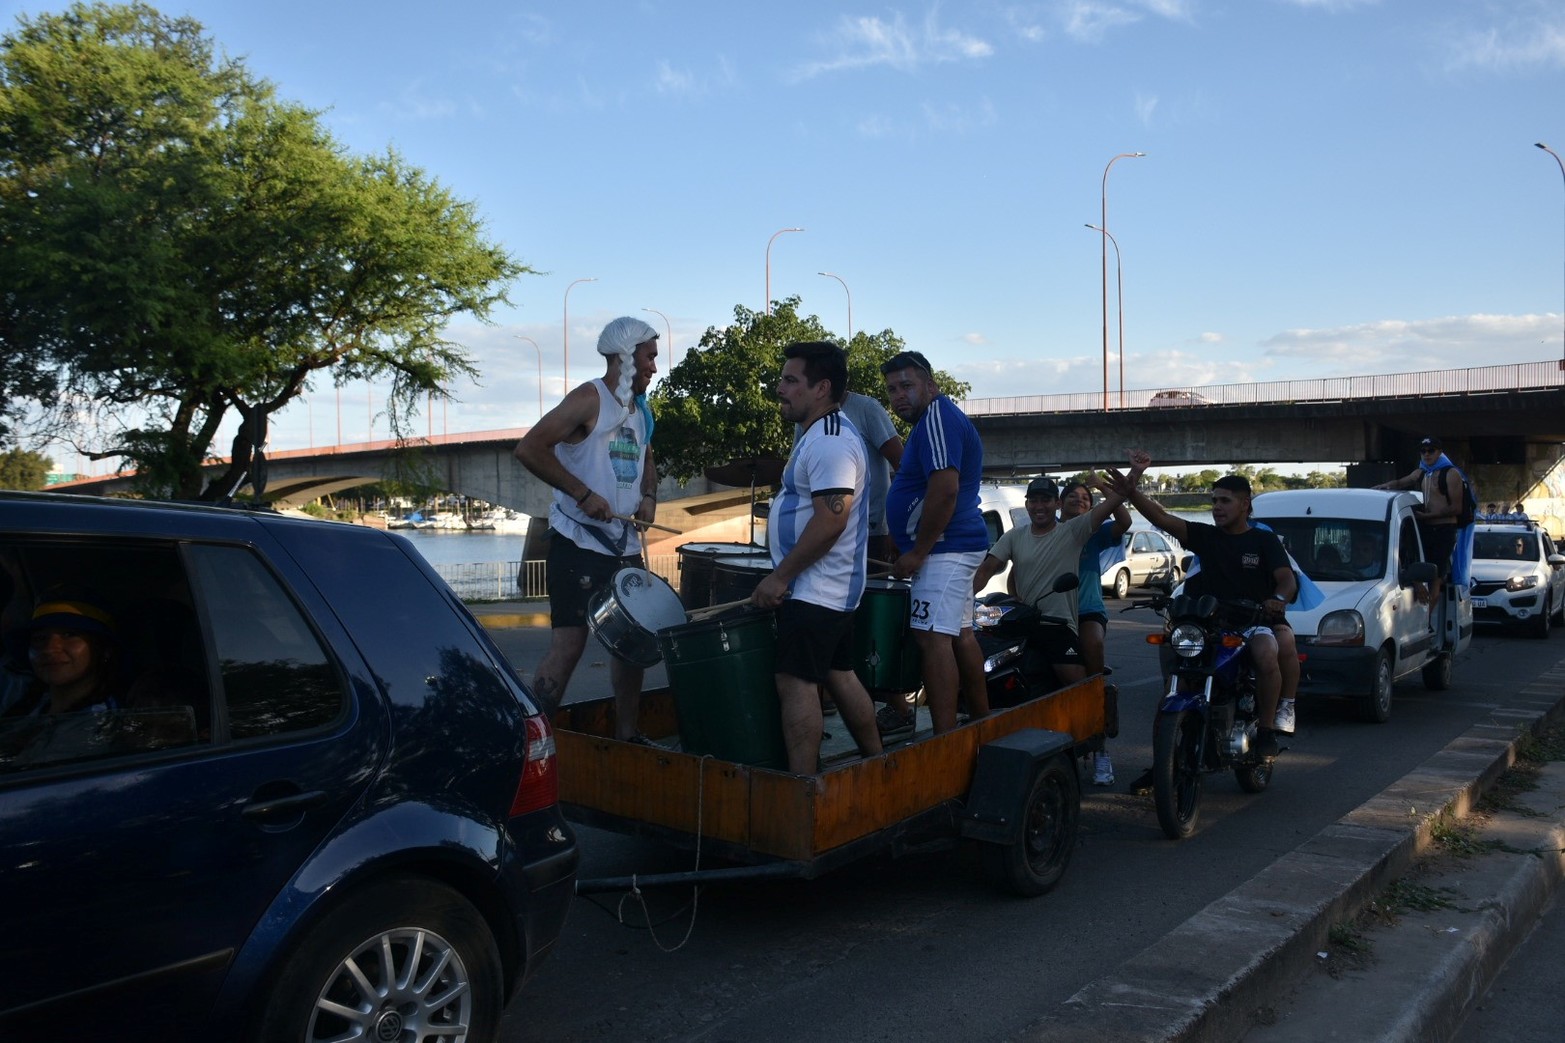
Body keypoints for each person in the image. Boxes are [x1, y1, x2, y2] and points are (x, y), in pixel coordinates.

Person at [513, 316, 660, 741]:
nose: (654, 366)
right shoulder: (588, 398)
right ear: (626, 355)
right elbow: (529, 448)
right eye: (649, 357)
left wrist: (648, 498)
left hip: (624, 544)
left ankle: (628, 737)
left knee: (631, 648)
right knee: (570, 645)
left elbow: (648, 460)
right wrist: (581, 493)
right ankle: (533, 743)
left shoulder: (640, 407)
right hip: (578, 543)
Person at [1107, 452, 1296, 768]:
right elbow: (1161, 518)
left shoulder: (1264, 541)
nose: (1217, 507)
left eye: (1225, 501)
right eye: (1214, 501)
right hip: (1207, 624)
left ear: (1245, 504)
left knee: (1266, 653)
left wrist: (1278, 599)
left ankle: (1265, 730)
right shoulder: (1205, 536)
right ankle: (1161, 767)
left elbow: (1286, 579)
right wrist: (1132, 489)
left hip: (1251, 622)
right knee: (1172, 688)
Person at [752, 342, 884, 773]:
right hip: (823, 586)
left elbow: (832, 519)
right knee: (839, 674)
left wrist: (780, 578)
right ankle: (878, 764)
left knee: (795, 680)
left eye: (791, 380)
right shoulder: (820, 434)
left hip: (815, 588)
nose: (780, 389)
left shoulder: (830, 441)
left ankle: (803, 790)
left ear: (822, 387)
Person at [970, 471, 1140, 784]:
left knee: (1078, 687)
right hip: (1022, 622)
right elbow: (989, 568)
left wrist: (1133, 475)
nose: (1039, 506)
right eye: (1034, 500)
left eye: (1046, 499)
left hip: (1057, 625)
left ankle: (1098, 746)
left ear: (1056, 504)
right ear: (1027, 503)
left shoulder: (1074, 531)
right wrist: (965, 597)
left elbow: (1113, 507)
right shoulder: (1014, 536)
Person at [881, 350, 989, 737]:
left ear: (931, 385)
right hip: (950, 545)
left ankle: (944, 738)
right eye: (892, 389)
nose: (899, 396)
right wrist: (904, 537)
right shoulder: (931, 421)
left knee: (930, 638)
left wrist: (918, 552)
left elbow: (945, 490)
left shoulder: (938, 420)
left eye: (907, 385)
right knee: (960, 634)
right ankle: (979, 721)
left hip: (946, 549)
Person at [1061, 479, 1133, 783]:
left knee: (1092, 646)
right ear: (1060, 502)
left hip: (1088, 611)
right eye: (1073, 496)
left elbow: (1125, 521)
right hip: (1053, 614)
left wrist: (1105, 489)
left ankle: (1101, 749)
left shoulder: (1095, 532)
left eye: (1086, 498)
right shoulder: (1047, 532)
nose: (1080, 501)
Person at [3, 589, 124, 717]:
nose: (49, 649)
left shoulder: (103, 720)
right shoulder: (25, 708)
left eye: (69, 635)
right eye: (40, 638)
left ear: (105, 650)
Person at [1374, 436, 1464, 607]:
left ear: (1439, 452)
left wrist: (1428, 516)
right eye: (1423, 451)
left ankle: (1428, 620)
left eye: (1431, 451)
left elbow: (1456, 509)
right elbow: (1401, 482)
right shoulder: (1422, 472)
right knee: (1413, 562)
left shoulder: (1451, 473)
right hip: (1426, 527)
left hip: (1444, 529)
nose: (1427, 455)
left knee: (1435, 577)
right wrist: (1381, 487)